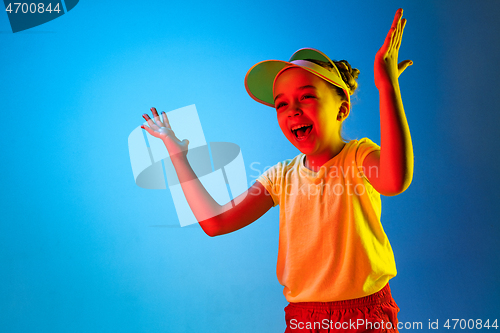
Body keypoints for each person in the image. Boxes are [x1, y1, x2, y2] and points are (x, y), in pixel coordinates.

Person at [140, 8, 413, 333]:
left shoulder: (358, 157)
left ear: (342, 108)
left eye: (306, 97)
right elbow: (216, 222)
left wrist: (387, 87)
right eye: (281, 103)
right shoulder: (280, 177)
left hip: (363, 316)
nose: (292, 110)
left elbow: (394, 180)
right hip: (303, 318)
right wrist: (177, 154)